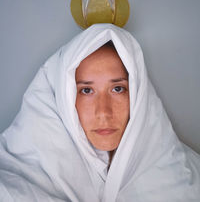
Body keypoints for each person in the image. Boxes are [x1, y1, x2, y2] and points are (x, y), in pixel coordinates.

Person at [0, 23, 200, 202]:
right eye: (86, 90)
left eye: (118, 89)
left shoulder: (188, 180)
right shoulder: (14, 185)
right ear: (64, 98)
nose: (104, 112)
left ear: (139, 94)